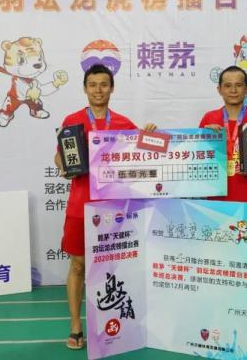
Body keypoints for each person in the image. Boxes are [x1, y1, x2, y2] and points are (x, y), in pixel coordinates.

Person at [54, 64, 156, 350]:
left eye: (103, 84)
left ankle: (114, 327)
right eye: (93, 84)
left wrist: (150, 135)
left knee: (114, 268)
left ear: (112, 88)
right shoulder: (72, 120)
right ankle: (76, 326)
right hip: (80, 205)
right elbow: (59, 156)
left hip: (114, 208)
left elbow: (145, 156)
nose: (98, 90)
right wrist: (63, 166)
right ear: (85, 88)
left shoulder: (123, 123)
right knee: (78, 265)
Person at [199, 65, 247, 203]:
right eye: (228, 85)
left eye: (239, 85)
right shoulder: (209, 119)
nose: (233, 90)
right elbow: (197, 157)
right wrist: (206, 137)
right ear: (219, 90)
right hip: (217, 200)